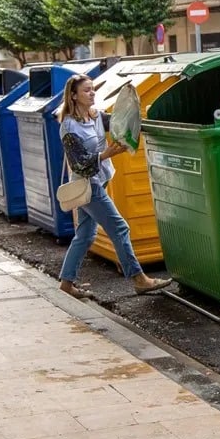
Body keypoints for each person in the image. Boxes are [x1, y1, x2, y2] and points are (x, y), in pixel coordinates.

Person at [57, 74, 170, 299]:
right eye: (86, 90)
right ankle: (139, 279)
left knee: (85, 235)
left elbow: (122, 122)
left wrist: (147, 120)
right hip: (88, 185)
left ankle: (66, 284)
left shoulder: (95, 116)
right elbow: (79, 163)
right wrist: (105, 154)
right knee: (120, 228)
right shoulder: (68, 127)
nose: (92, 93)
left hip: (100, 179)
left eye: (92, 89)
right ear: (73, 96)